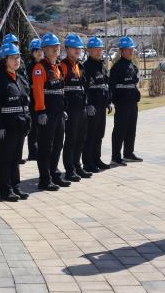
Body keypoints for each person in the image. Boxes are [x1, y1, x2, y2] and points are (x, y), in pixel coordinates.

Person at [0, 42, 31, 201]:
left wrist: (28, 122)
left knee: (15, 159)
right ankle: (5, 190)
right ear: (4, 60)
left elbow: (26, 103)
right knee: (5, 160)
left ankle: (16, 187)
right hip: (6, 128)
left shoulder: (20, 79)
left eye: (18, 57)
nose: (17, 60)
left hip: (20, 127)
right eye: (13, 58)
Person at [31, 33, 68, 190]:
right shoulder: (40, 68)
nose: (56, 49)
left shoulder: (58, 67)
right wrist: (41, 112)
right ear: (45, 49)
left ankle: (54, 174)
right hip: (47, 115)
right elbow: (38, 92)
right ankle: (44, 179)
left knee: (58, 144)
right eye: (53, 47)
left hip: (59, 113)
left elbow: (61, 91)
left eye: (58, 46)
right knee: (46, 147)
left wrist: (64, 109)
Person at [60, 34, 91, 182]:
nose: (77, 51)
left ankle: (77, 166)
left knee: (81, 138)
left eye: (79, 48)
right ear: (67, 49)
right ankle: (69, 170)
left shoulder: (80, 65)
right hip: (70, 108)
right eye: (74, 48)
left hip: (81, 107)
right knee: (71, 139)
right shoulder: (63, 66)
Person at [109, 36, 142, 165]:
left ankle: (128, 153)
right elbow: (112, 86)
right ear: (122, 51)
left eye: (132, 49)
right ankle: (115, 156)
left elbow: (136, 83)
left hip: (133, 103)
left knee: (131, 128)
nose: (131, 52)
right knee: (119, 129)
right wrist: (112, 101)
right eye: (128, 50)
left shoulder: (133, 66)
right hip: (122, 104)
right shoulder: (116, 68)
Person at [83, 36, 111, 172]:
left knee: (99, 134)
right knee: (91, 135)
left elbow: (106, 84)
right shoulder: (86, 67)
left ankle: (97, 159)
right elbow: (85, 88)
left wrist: (109, 102)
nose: (99, 52)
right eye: (96, 50)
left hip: (102, 106)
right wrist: (88, 104)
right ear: (89, 50)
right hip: (92, 107)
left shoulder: (102, 65)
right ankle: (88, 162)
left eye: (100, 49)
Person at [25, 38, 44, 162]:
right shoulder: (29, 66)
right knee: (33, 128)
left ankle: (40, 150)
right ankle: (32, 152)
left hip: (42, 100)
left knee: (41, 127)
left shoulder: (45, 65)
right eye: (36, 50)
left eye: (41, 50)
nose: (39, 53)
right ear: (32, 52)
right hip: (32, 100)